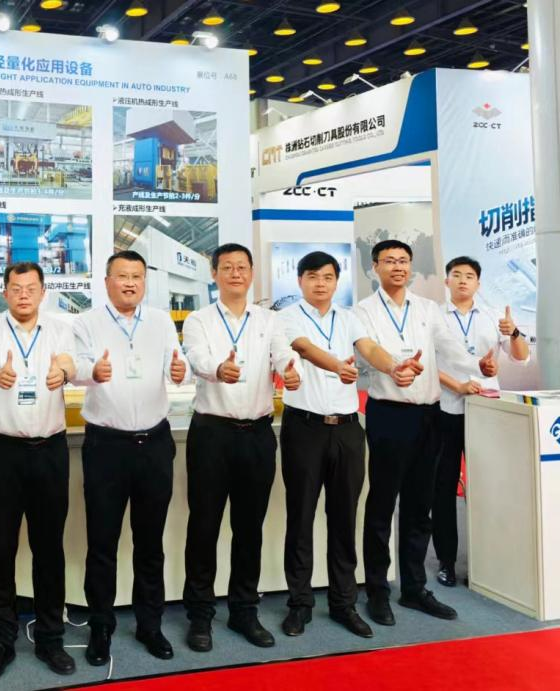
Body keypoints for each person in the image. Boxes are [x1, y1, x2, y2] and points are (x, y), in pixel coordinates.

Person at [277, 251, 422, 640]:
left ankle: (344, 603)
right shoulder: (287, 317)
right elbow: (304, 348)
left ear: (336, 281)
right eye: (312, 276)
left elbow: (369, 348)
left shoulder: (349, 317)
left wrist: (393, 366)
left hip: (346, 430)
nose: (320, 283)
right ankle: (300, 604)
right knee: (301, 517)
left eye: (327, 276)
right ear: (300, 280)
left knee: (344, 518)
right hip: (304, 428)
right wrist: (336, 366)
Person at [354, 240, 497, 628]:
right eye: (389, 261)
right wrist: (393, 367)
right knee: (382, 506)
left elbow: (450, 346)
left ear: (411, 266)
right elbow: (369, 349)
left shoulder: (427, 309)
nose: (398, 267)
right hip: (389, 414)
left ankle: (414, 588)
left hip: (429, 416)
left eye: (403, 260)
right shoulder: (364, 310)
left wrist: (479, 365)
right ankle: (377, 590)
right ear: (375, 267)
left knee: (420, 507)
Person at [180, 243, 301, 653]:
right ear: (214, 274)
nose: (235, 273)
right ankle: (200, 614)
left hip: (257, 436)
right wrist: (219, 369)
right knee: (204, 527)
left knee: (249, 528)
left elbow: (283, 353)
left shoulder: (269, 320)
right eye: (227, 267)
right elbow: (196, 357)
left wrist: (290, 370)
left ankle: (244, 610)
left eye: (242, 267)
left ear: (251, 273)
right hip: (211, 435)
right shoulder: (198, 319)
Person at [71, 250, 189, 666]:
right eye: (122, 276)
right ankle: (101, 627)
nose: (130, 283)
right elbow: (75, 368)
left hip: (154, 444)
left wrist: (181, 373)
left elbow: (178, 366)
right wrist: (93, 372)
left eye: (137, 277)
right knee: (102, 543)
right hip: (106, 446)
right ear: (107, 281)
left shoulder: (159, 321)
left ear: (144, 282)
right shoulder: (86, 322)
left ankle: (149, 625)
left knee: (150, 542)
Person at [0, 262, 78, 681]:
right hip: (2, 452)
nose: (23, 295)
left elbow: (69, 361)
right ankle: (1, 641)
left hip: (49, 450)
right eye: (16, 288)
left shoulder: (60, 329)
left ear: (42, 292)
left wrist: (63, 372)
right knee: (0, 549)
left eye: (31, 288)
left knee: (49, 549)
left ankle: (51, 638)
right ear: (5, 292)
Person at [433, 257, 530, 587]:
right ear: (446, 281)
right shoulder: (434, 317)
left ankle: (488, 561)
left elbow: (520, 356)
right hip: (446, 409)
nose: (463, 280)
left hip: (487, 411)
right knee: (444, 488)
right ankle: (446, 561)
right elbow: (429, 364)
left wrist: (513, 332)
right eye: (456, 275)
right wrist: (457, 385)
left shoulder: (493, 316)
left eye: (470, 276)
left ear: (478, 283)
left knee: (489, 485)